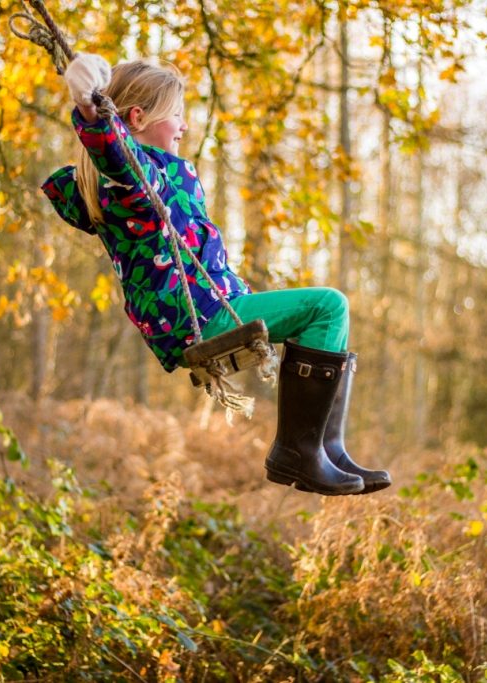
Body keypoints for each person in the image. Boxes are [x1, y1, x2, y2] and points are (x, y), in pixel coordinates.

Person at [41, 53, 391, 495]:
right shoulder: (137, 180)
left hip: (206, 309)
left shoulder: (141, 177)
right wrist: (90, 111)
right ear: (138, 117)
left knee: (324, 314)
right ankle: (299, 450)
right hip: (203, 316)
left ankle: (325, 447)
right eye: (177, 116)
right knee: (328, 306)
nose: (184, 126)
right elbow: (117, 156)